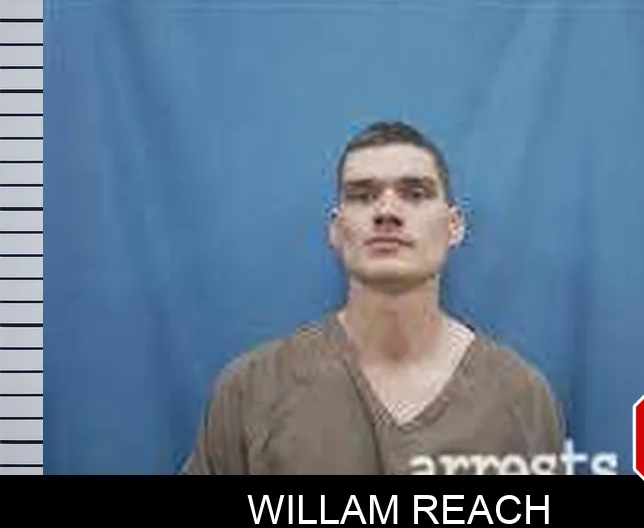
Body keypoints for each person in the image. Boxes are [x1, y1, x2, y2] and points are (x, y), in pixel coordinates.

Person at [181, 120, 564, 475]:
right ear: (336, 229)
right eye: (362, 195)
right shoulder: (252, 391)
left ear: (454, 226)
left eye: (415, 194)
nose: (386, 212)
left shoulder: (521, 398)